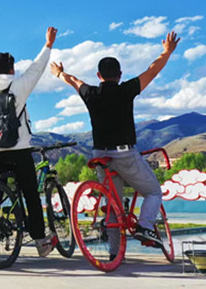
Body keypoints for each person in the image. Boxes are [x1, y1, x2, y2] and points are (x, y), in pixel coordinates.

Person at [50, 31, 180, 257]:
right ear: (120, 75)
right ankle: (145, 227)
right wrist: (166, 52)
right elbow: (152, 70)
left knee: (113, 204)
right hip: (125, 155)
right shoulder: (126, 90)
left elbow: (74, 81)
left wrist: (60, 73)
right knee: (153, 192)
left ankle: (114, 254)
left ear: (98, 75)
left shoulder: (90, 93)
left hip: (100, 156)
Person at [0, 26, 58, 258]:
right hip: (19, 149)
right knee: (30, 193)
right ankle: (40, 242)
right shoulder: (18, 86)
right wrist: (48, 45)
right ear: (11, 69)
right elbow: (37, 68)